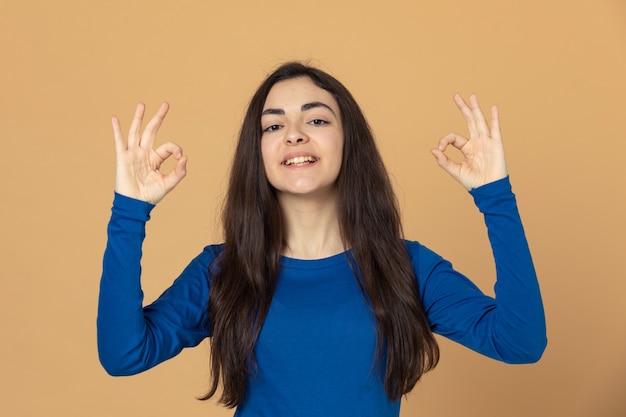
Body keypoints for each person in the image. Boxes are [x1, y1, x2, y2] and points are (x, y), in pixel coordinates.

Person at [97, 62, 546, 416]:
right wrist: (129, 211)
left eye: (316, 119)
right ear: (259, 154)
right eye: (273, 126)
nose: (294, 133)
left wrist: (495, 198)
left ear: (349, 141)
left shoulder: (406, 267)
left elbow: (519, 343)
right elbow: (124, 354)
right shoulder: (222, 271)